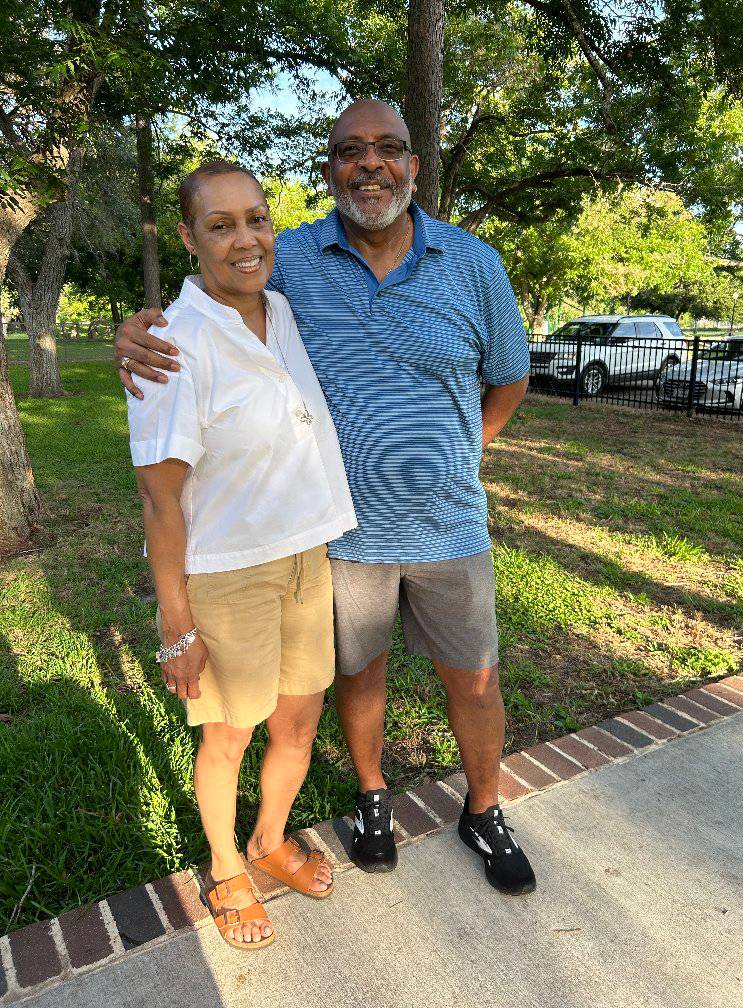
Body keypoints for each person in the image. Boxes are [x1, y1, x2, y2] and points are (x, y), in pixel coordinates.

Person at [117, 100, 536, 895]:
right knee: (358, 674)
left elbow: (511, 373)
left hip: (450, 523)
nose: (370, 164)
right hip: (342, 535)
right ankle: (371, 797)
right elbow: (209, 315)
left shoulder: (474, 263)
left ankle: (484, 808)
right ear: (328, 168)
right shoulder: (292, 260)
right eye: (351, 150)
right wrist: (137, 338)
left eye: (389, 149)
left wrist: (468, 445)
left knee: (474, 675)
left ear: (416, 164)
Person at [126, 161, 357, 949]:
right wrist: (177, 624)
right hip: (228, 574)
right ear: (189, 238)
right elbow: (160, 500)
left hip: (305, 556)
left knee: (298, 718)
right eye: (220, 225)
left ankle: (269, 839)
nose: (245, 238)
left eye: (256, 219)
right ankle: (226, 866)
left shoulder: (281, 311)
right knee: (228, 732)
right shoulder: (170, 346)